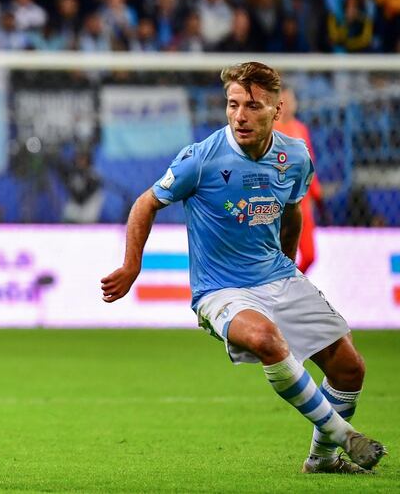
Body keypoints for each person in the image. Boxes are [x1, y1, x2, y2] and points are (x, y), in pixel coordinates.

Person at [101, 62, 386, 474]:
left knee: (350, 368)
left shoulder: (296, 156)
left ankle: (321, 460)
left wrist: (289, 266)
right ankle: (345, 436)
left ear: (277, 109)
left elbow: (293, 212)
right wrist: (132, 265)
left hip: (278, 277)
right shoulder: (200, 160)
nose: (240, 116)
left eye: (252, 106)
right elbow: (146, 203)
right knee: (265, 338)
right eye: (233, 105)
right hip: (221, 290)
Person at [273, 86, 323, 273]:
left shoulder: (301, 129)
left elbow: (310, 165)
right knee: (282, 254)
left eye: (291, 101)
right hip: (281, 203)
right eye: (283, 103)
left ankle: (292, 283)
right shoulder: (271, 131)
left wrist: (316, 195)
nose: (288, 107)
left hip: (303, 203)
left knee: (310, 255)